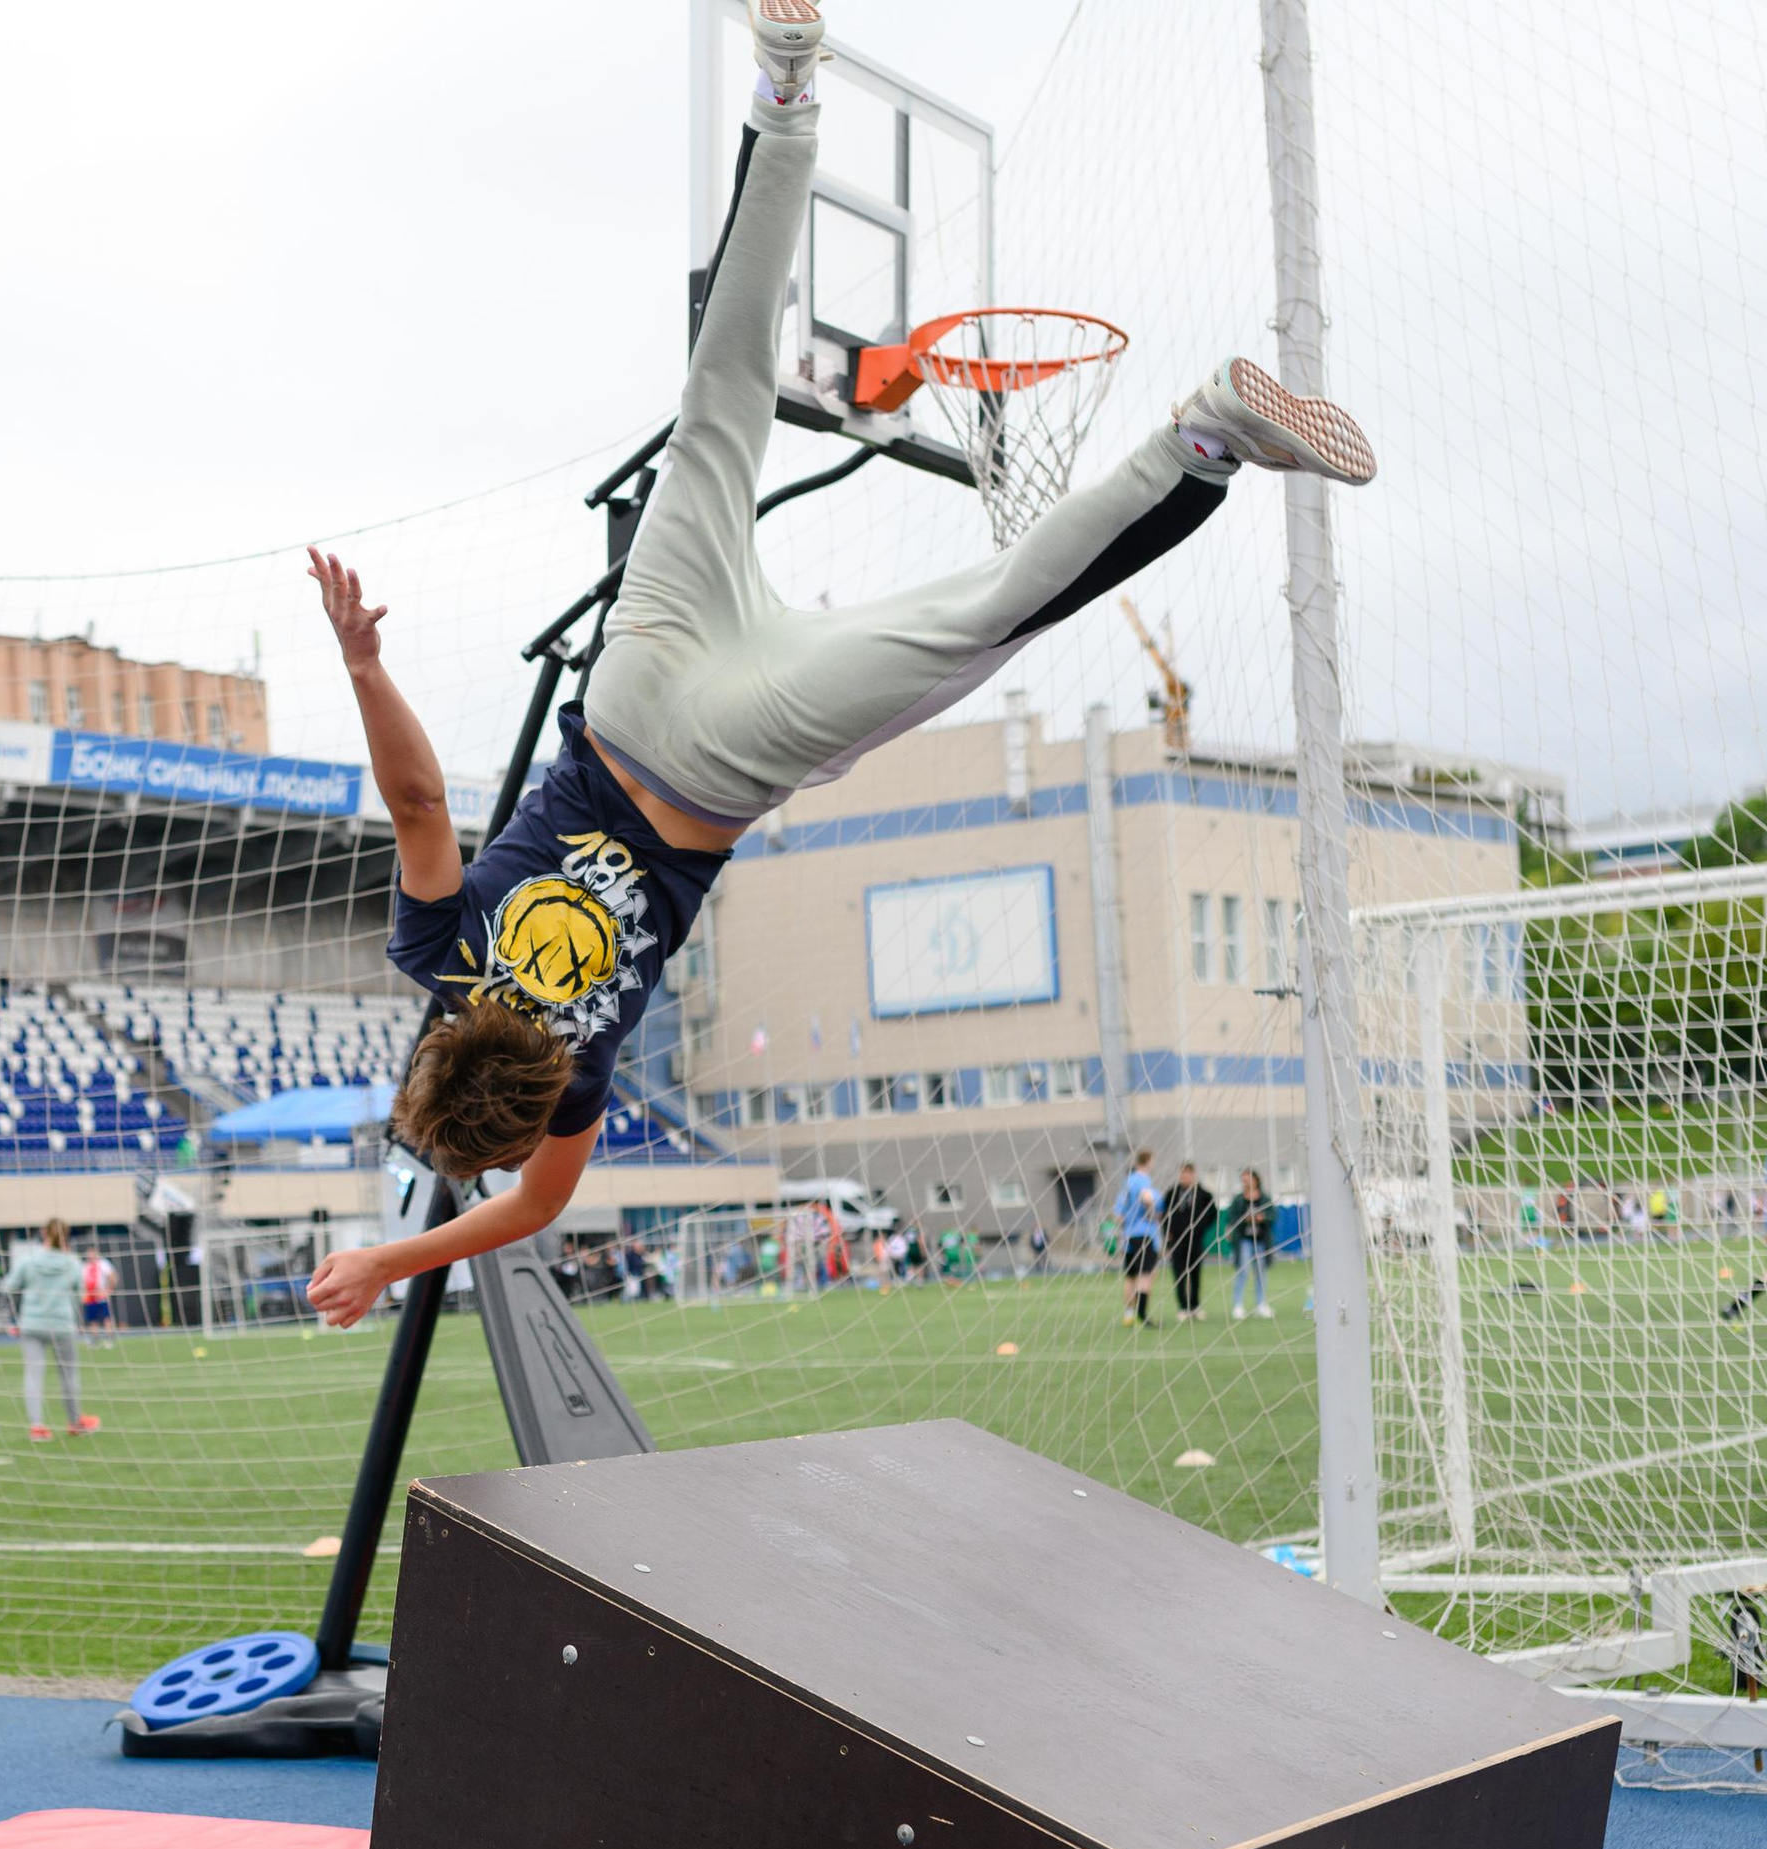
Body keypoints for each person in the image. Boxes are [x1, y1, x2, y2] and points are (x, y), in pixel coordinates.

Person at [298, 0, 1376, 1331]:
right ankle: (788, 95)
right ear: (435, 1057)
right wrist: (360, 660)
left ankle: (1203, 440)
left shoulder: (574, 1081)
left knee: (988, 613)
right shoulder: (436, 955)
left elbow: (530, 1210)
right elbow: (415, 807)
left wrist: (388, 1263)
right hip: (636, 688)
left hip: (727, 760)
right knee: (721, 400)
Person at [5, 1217, 98, 1442]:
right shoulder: (72, 1263)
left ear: (43, 1232)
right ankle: (75, 1422)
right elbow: (81, 1293)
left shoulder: (28, 1261)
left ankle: (37, 1427)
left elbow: (8, 1286)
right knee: (68, 1375)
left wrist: (18, 1312)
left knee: (34, 1375)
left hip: (32, 1323)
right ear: (66, 1235)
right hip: (62, 1324)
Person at [1162, 1162, 1217, 1321]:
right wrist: (1168, 1232)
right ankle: (1182, 1307)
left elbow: (1212, 1213)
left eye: (1188, 1173)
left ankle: (1195, 1306)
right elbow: (1165, 1216)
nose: (1185, 1177)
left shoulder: (1203, 1194)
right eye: (1182, 1174)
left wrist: (1201, 1227)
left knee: (1195, 1275)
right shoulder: (1171, 1194)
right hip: (1177, 1241)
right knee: (1179, 1275)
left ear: (1193, 1175)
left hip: (1195, 1241)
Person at [1116, 1148, 1164, 1328]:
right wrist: (1152, 1212)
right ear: (1149, 1161)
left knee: (1130, 1277)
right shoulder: (1142, 1180)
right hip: (1144, 1236)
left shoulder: (1126, 1183)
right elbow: (1148, 1197)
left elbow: (1118, 1215)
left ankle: (1128, 1315)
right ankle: (1142, 1315)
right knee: (1146, 1275)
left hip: (1129, 1236)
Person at [1227, 1169, 1276, 1320]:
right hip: (1244, 1240)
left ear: (1255, 1180)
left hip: (1261, 1240)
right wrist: (1244, 1220)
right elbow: (1231, 1218)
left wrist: (1263, 1217)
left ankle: (1261, 1304)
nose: (1245, 1182)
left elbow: (1273, 1215)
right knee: (1243, 1270)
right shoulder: (1239, 1199)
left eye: (1248, 1178)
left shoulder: (1264, 1198)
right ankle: (1238, 1305)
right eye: (1243, 1179)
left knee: (1261, 1272)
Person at [81, 1248, 117, 1341]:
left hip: (101, 1295)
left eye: (92, 1254)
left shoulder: (103, 1263)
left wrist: (109, 1289)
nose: (90, 1256)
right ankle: (94, 1339)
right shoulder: (85, 1266)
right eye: (88, 1255)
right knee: (92, 1319)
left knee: (106, 1317)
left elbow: (112, 1276)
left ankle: (109, 1338)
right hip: (90, 1296)